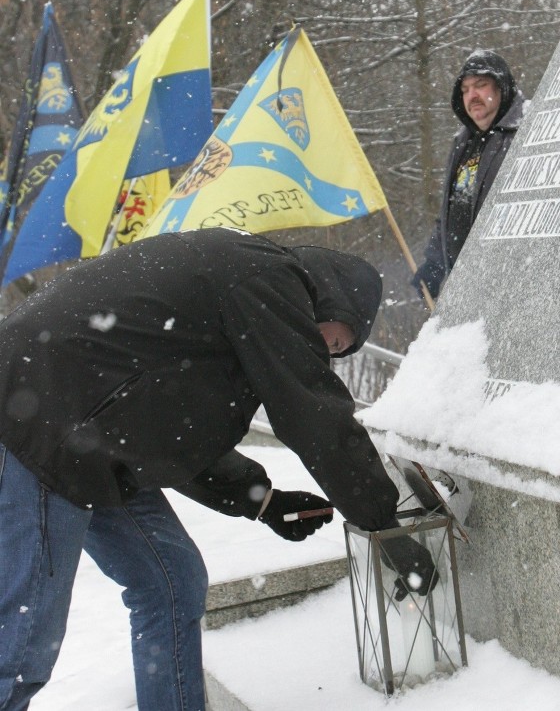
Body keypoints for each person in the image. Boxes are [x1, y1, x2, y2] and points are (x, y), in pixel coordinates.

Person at [0, 228, 436, 711]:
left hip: (91, 433)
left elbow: (173, 432)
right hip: (38, 417)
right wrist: (385, 526)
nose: (325, 354)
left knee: (171, 582)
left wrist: (262, 500)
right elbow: (315, 415)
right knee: (22, 643)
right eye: (333, 341)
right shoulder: (268, 279)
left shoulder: (238, 290)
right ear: (328, 299)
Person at [412, 49, 526, 300]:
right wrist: (434, 263)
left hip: (512, 281)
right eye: (465, 90)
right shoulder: (463, 143)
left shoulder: (527, 131)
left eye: (481, 85)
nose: (472, 96)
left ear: (501, 88)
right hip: (467, 284)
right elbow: (452, 212)